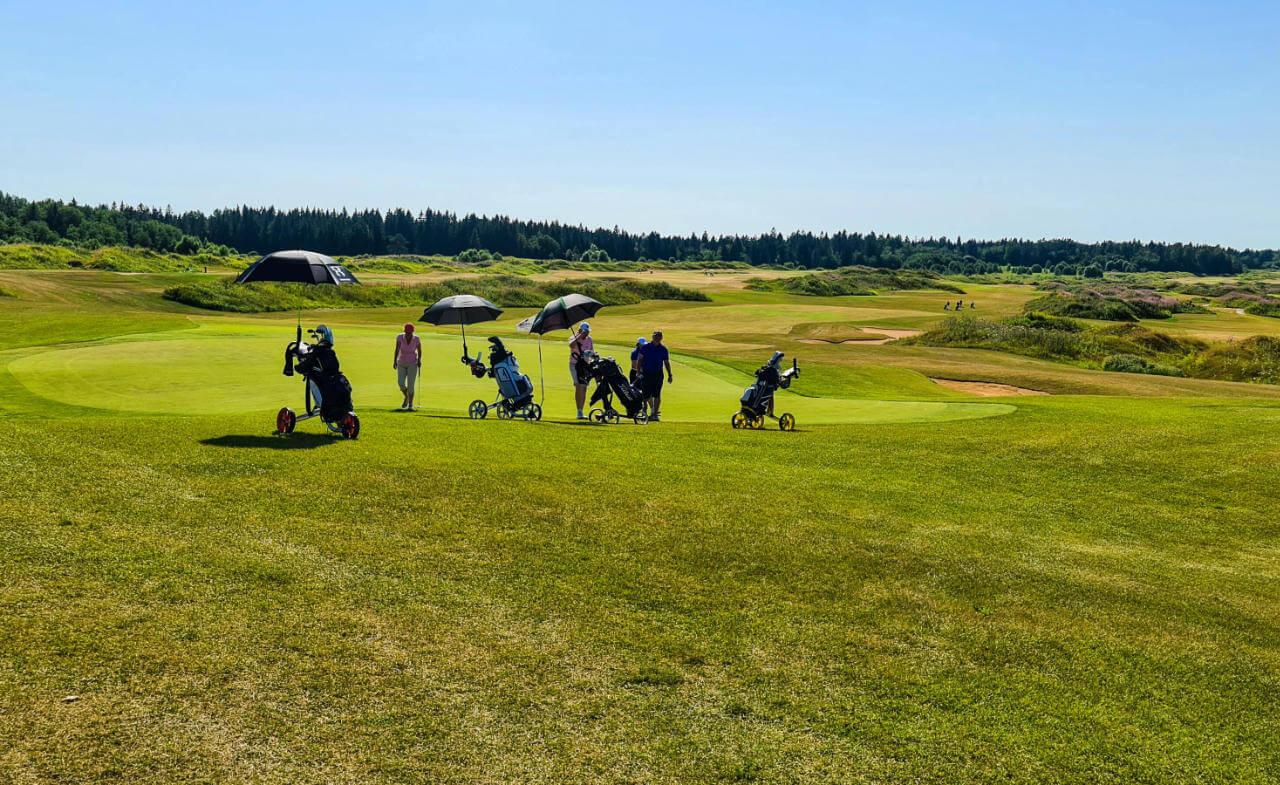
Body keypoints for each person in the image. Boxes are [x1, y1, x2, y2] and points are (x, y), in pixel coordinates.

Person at [635, 330, 673, 421]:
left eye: (658, 336)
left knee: (657, 394)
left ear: (661, 338)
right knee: (645, 395)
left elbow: (666, 363)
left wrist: (669, 374)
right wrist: (638, 371)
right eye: (655, 336)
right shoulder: (645, 347)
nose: (656, 338)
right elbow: (639, 360)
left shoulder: (663, 349)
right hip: (646, 373)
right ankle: (644, 412)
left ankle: (654, 414)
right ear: (652, 337)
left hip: (658, 374)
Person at [392, 322, 422, 411]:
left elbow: (419, 350)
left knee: (411, 385)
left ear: (412, 332)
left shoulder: (416, 339)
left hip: (413, 363)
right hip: (401, 362)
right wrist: (394, 361)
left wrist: (419, 360)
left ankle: (410, 405)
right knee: (400, 383)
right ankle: (407, 397)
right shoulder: (400, 337)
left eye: (410, 332)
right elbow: (397, 349)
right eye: (407, 332)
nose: (408, 334)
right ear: (404, 331)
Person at [568, 322, 594, 419]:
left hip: (585, 366)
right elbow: (571, 345)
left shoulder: (589, 339)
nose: (586, 334)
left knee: (584, 387)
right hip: (574, 365)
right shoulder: (573, 337)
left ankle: (581, 411)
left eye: (587, 332)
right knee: (578, 386)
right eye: (585, 332)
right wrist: (578, 335)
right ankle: (579, 411)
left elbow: (592, 352)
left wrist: (591, 356)